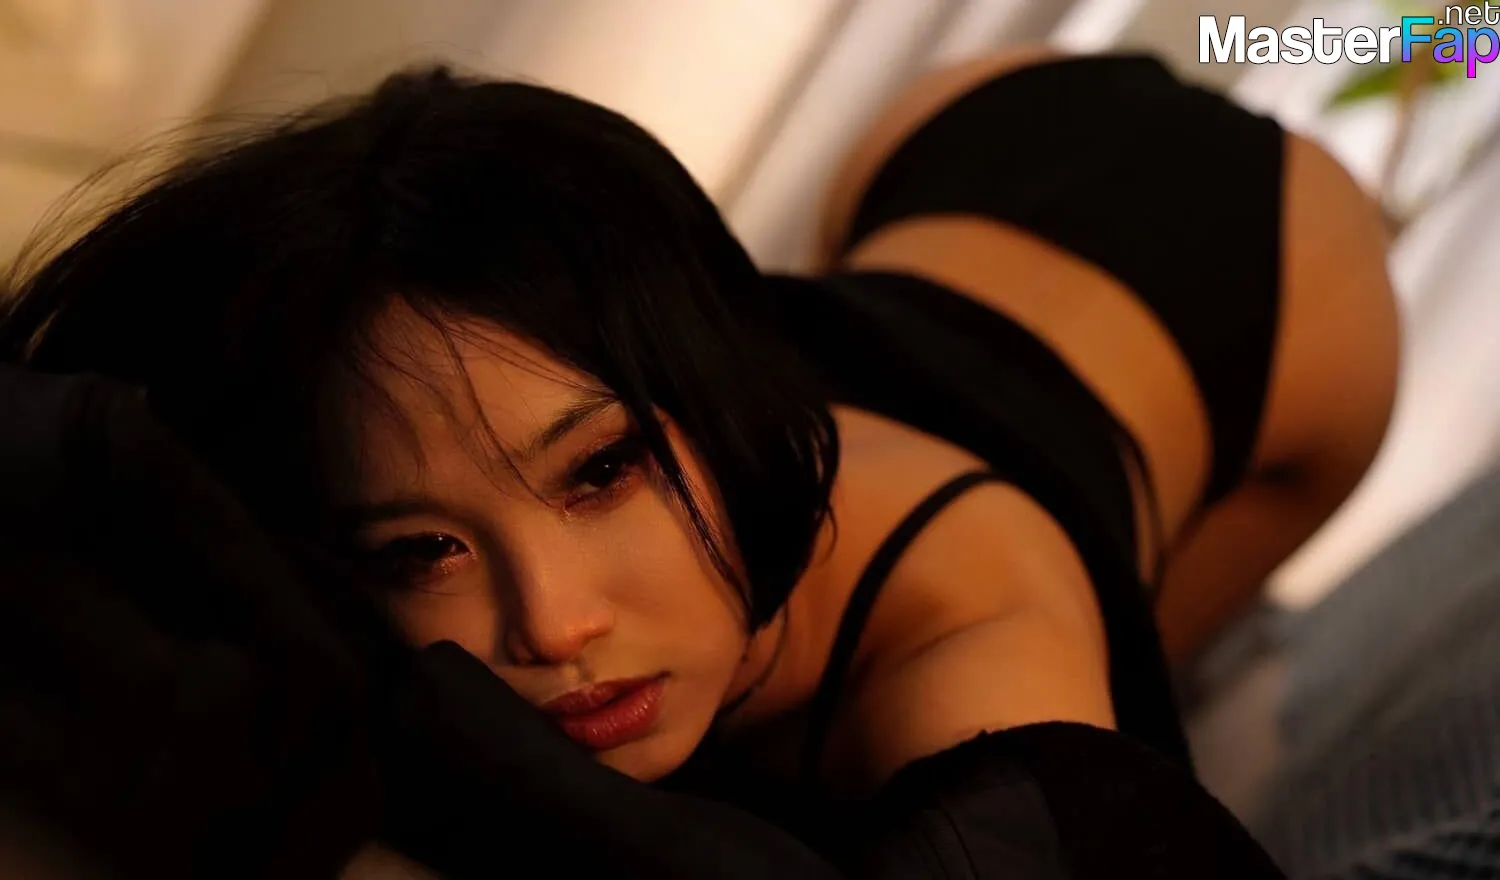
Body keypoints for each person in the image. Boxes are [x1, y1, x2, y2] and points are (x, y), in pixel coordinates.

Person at [0, 47, 1396, 877]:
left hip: (1294, 298)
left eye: (601, 472)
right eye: (423, 548)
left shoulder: (978, 656)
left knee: (1434, 39)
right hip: (962, 138)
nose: (553, 627)